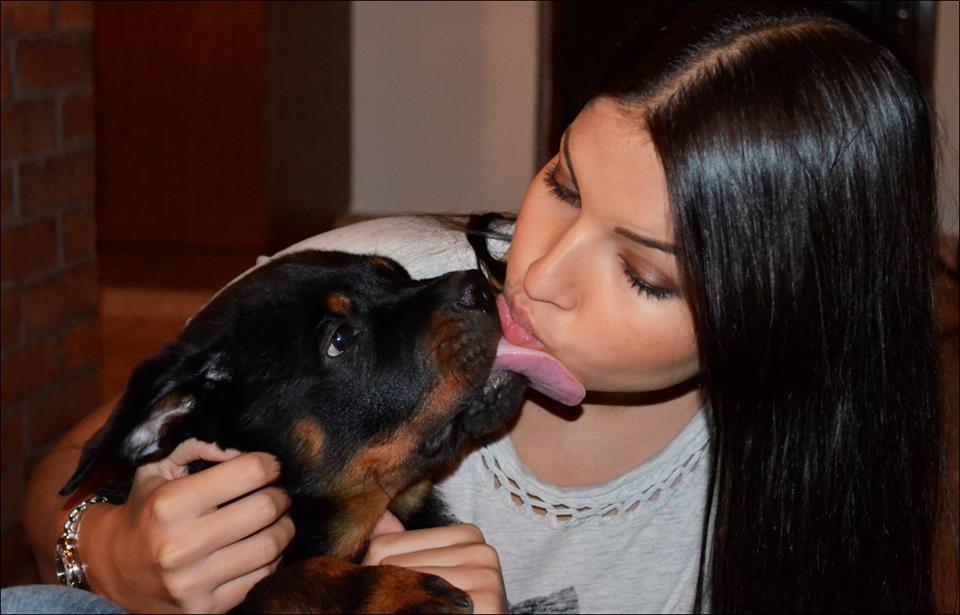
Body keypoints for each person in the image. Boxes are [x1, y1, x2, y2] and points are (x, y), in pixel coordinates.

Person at [7, 4, 944, 614]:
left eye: (644, 274)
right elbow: (66, 477)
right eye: (562, 183)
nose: (536, 272)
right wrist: (109, 552)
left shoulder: (789, 499)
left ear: (776, 320)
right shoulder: (393, 274)